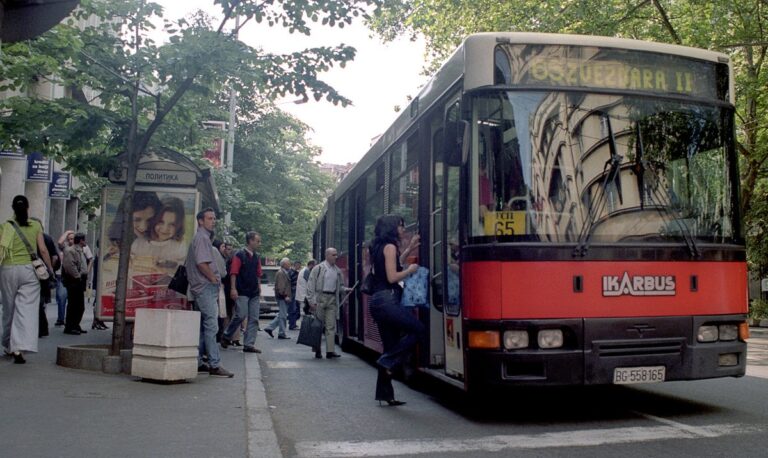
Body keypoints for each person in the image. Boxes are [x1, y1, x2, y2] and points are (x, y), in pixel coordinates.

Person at [368, 214, 424, 406]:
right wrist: (410, 270)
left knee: (390, 347)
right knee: (418, 329)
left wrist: (409, 249)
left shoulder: (378, 247)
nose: (403, 229)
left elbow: (390, 265)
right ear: (392, 228)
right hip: (388, 300)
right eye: (400, 226)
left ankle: (386, 395)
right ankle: (387, 362)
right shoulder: (390, 246)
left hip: (378, 301)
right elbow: (392, 276)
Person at [0, 195, 54, 364]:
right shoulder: (36, 225)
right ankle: (18, 347)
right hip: (30, 271)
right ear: (28, 207)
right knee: (25, 310)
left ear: (13, 208)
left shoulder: (5, 226)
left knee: (9, 309)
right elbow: (43, 250)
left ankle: (7, 343)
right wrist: (50, 269)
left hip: (8, 269)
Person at [185, 208, 234, 378]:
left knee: (202, 326)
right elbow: (201, 263)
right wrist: (213, 278)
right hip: (205, 287)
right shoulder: (202, 238)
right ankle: (214, 364)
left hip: (201, 287)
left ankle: (199, 361)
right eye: (209, 218)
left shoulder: (202, 238)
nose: (213, 221)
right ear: (200, 221)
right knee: (212, 325)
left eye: (214, 218)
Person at [306, 248, 351, 359]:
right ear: (327, 256)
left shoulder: (337, 270)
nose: (336, 257)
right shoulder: (318, 268)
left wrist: (345, 289)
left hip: (332, 299)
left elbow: (339, 286)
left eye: (336, 254)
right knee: (318, 326)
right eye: (333, 255)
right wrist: (311, 301)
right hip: (320, 298)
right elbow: (310, 285)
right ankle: (317, 350)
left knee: (331, 326)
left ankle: (330, 351)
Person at [221, 231, 262, 354]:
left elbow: (258, 274)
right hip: (242, 290)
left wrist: (259, 287)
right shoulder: (239, 255)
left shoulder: (256, 257)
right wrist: (233, 288)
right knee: (241, 314)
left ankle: (249, 344)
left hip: (253, 291)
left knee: (254, 318)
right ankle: (227, 335)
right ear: (250, 241)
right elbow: (234, 272)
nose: (259, 243)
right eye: (257, 241)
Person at [131, 197, 187, 276]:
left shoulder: (179, 246)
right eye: (161, 222)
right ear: (154, 220)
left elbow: (182, 271)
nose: (165, 229)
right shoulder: (140, 243)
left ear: (179, 226)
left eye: (172, 224)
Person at [62, 233, 89, 335]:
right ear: (81, 241)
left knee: (79, 306)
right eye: (84, 240)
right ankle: (70, 326)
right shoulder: (70, 251)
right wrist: (77, 277)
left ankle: (75, 324)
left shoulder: (80, 250)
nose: (85, 242)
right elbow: (70, 266)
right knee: (74, 305)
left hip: (79, 280)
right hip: (74, 281)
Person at [263, 258, 292, 340]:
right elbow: (281, 287)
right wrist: (285, 296)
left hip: (282, 297)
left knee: (281, 314)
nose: (289, 264)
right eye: (288, 263)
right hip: (282, 297)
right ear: (284, 264)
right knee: (283, 316)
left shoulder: (283, 272)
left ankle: (270, 328)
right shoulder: (281, 273)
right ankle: (281, 333)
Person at [53, 229, 74, 326]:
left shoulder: (82, 247)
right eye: (69, 239)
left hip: (75, 277)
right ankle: (61, 319)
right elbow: (60, 242)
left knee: (73, 300)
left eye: (72, 239)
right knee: (61, 297)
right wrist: (67, 232)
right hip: (63, 276)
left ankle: (71, 321)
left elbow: (89, 259)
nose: (70, 241)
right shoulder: (65, 247)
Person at [287, 260, 301, 330]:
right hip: (292, 292)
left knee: (295, 309)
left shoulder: (296, 273)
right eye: (299, 265)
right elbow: (288, 283)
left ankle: (293, 323)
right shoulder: (291, 272)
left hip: (295, 292)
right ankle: (292, 325)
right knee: (293, 309)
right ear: (295, 265)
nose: (300, 267)